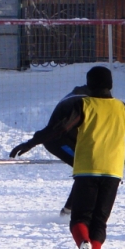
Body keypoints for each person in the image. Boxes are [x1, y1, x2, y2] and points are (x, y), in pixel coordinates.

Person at [8, 66, 125, 249]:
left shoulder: (83, 104)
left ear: (88, 85)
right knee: (99, 224)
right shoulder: (124, 109)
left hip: (87, 169)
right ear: (111, 85)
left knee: (79, 220)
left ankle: (83, 244)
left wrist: (32, 142)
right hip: (113, 172)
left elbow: (60, 129)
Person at [38, 83, 91, 216]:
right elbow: (62, 128)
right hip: (57, 140)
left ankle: (74, 209)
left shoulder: (81, 95)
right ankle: (69, 211)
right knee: (87, 172)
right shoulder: (84, 101)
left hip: (61, 137)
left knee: (89, 172)